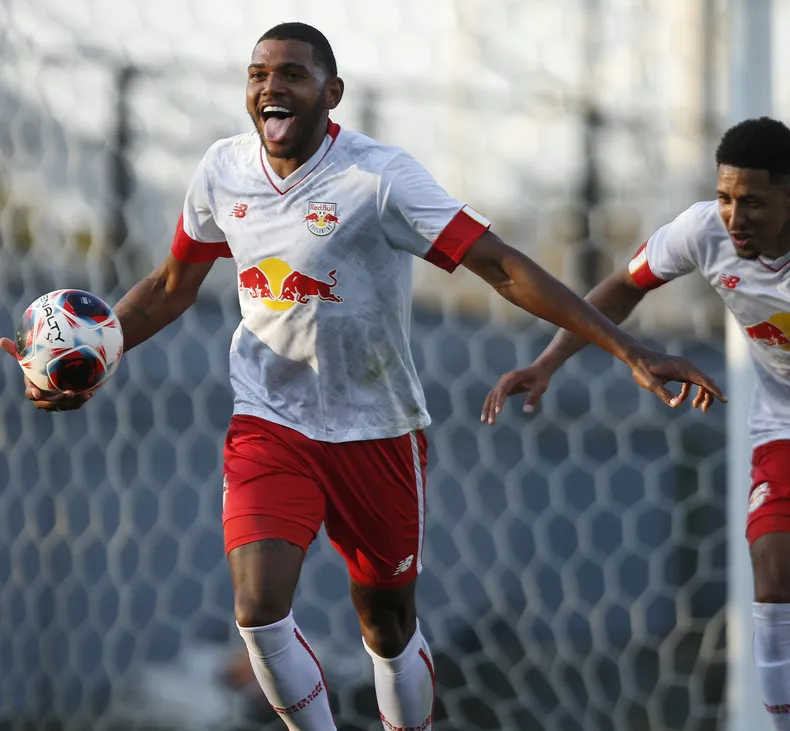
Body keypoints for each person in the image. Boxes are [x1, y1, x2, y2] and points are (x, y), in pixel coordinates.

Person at [0, 22, 725, 731]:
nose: (271, 88)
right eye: (258, 75)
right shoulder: (222, 171)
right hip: (270, 421)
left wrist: (627, 348)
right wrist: (103, 352)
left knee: (386, 624)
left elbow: (499, 265)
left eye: (292, 74)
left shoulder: (380, 179)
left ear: (332, 92)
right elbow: (170, 285)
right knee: (258, 607)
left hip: (377, 429)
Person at [482, 116, 790, 729]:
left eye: (752, 202)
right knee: (774, 587)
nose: (733, 216)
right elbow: (619, 290)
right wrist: (547, 362)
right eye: (724, 197)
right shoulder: (701, 232)